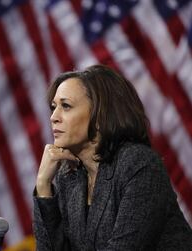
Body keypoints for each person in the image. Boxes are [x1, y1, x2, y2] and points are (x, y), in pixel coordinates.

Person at [33, 65, 192, 250]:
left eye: (66, 106)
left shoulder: (138, 165)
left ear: (100, 114)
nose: (53, 117)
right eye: (54, 107)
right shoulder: (70, 177)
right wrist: (43, 185)